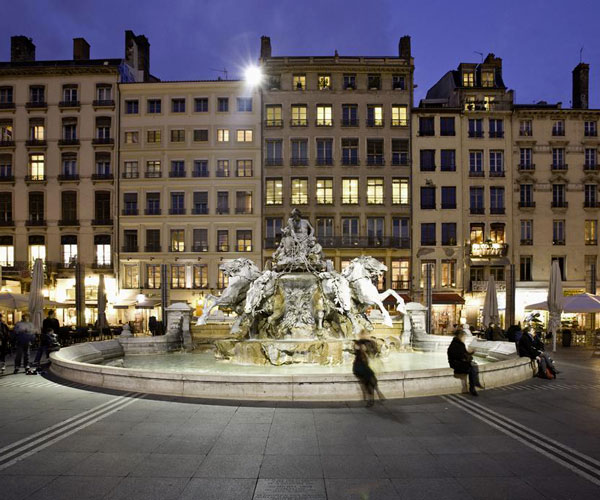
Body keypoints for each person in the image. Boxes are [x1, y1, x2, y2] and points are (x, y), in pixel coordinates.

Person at [447, 329, 483, 396]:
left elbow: (464, 354)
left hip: (459, 362)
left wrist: (471, 353)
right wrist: (468, 357)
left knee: (473, 366)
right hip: (456, 363)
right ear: (461, 337)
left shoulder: (459, 343)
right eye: (464, 337)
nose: (465, 339)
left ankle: (474, 385)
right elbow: (460, 356)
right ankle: (473, 387)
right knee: (471, 368)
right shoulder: (456, 345)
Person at [352, 333, 385, 407]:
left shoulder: (366, 346)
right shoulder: (359, 348)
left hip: (364, 368)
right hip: (361, 368)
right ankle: (375, 395)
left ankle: (373, 397)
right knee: (370, 382)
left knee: (370, 381)